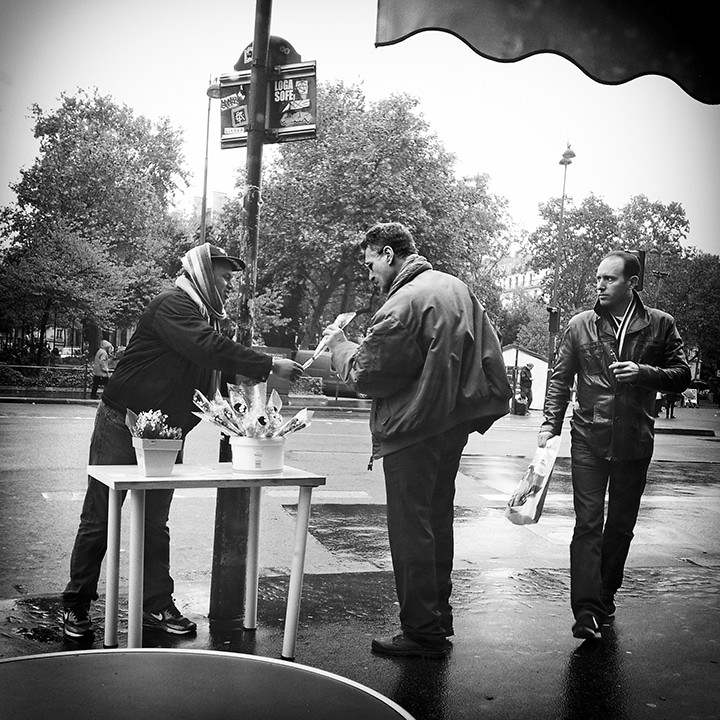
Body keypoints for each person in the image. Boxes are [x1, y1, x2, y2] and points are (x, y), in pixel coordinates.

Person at [62, 243, 303, 640]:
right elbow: (204, 347)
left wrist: (244, 400)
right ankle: (75, 606)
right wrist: (267, 364)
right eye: (224, 276)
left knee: (155, 523)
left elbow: (211, 365)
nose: (229, 285)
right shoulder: (173, 304)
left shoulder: (204, 316)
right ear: (205, 273)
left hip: (167, 435)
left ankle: (155, 605)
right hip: (124, 422)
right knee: (100, 518)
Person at [323, 222, 512, 658]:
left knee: (411, 530)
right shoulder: (455, 287)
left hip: (413, 427)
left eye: (370, 262)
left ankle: (422, 632)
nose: (369, 273)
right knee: (436, 524)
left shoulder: (401, 304)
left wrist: (340, 346)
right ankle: (436, 619)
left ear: (389, 254)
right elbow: (486, 351)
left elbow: (369, 374)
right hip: (451, 423)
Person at [538, 250, 690, 641]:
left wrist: (643, 373)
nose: (599, 285)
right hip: (588, 437)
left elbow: (681, 376)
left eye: (608, 279)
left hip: (635, 441)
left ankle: (605, 595)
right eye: (598, 278)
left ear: (631, 284)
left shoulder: (660, 325)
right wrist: (549, 425)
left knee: (620, 527)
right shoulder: (580, 326)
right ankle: (586, 611)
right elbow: (559, 380)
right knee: (588, 524)